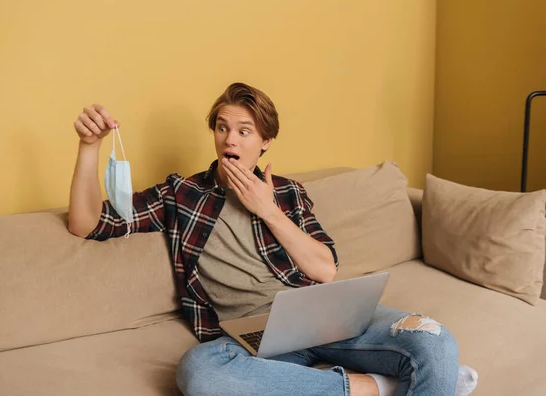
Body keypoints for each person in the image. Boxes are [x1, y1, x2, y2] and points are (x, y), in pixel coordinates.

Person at [68, 83, 478, 396]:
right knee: (199, 373)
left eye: (245, 132)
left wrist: (268, 210)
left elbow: (324, 269)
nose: (230, 140)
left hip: (321, 318)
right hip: (251, 339)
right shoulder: (183, 194)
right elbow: (87, 224)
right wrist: (90, 146)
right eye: (223, 128)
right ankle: (373, 388)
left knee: (435, 340)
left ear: (264, 142)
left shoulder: (286, 192)